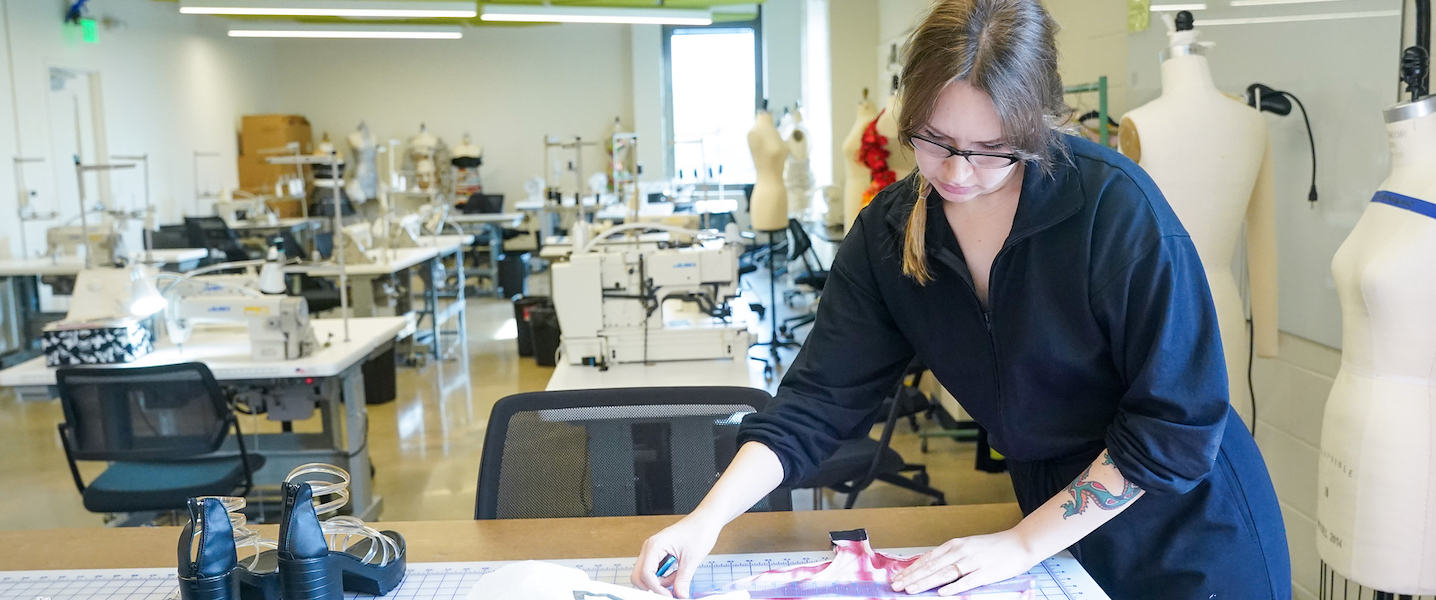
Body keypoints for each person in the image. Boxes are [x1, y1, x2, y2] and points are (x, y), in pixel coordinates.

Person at [629, 0, 1290, 598]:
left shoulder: (1114, 211)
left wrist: (1024, 543)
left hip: (1191, 534)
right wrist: (705, 520)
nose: (954, 174)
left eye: (990, 151)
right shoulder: (890, 232)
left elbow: (1171, 430)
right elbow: (816, 402)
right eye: (935, 141)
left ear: (1034, 129)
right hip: (1051, 518)